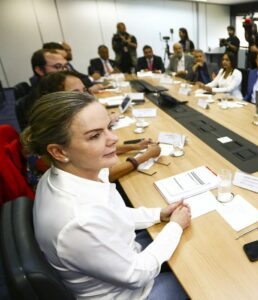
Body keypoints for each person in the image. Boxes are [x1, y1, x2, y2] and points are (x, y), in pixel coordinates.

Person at [22, 91, 191, 299]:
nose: (114, 139)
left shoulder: (67, 173)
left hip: (124, 258)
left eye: (108, 128)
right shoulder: (79, 221)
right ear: (59, 152)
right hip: (133, 293)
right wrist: (175, 226)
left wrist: (159, 214)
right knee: (202, 279)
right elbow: (137, 274)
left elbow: (115, 215)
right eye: (95, 135)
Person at [36, 71, 161, 182]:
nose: (86, 97)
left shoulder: (61, 128)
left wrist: (135, 146)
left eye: (84, 90)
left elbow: (96, 149)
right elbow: (105, 175)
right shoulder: (58, 133)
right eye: (95, 135)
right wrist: (145, 156)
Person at [16, 49, 68, 130]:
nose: (64, 71)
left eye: (65, 66)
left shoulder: (58, 88)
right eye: (58, 67)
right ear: (40, 70)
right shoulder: (38, 101)